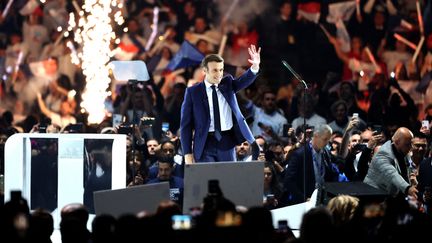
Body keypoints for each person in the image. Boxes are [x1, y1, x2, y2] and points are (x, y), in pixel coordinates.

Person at [180, 44, 261, 163]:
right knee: (207, 180)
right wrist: (187, 153)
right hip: (204, 143)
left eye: (221, 69)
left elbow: (243, 81)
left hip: (227, 141)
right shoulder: (193, 92)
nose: (219, 74)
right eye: (214, 70)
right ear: (204, 71)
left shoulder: (227, 84)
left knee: (228, 179)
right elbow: (185, 125)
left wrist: (254, 66)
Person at [283, 124, 340, 205]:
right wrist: (303, 198)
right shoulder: (300, 154)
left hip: (322, 199)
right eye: (325, 139)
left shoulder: (325, 152)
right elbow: (288, 181)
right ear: (316, 136)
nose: (327, 143)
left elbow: (331, 172)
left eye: (328, 140)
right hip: (305, 200)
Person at [363, 127, 418, 199]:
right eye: (407, 144)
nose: (410, 147)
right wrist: (408, 188)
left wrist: (411, 181)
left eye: (411, 144)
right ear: (397, 142)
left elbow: (407, 169)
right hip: (374, 196)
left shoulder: (403, 151)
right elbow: (392, 174)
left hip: (391, 195)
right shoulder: (383, 154)